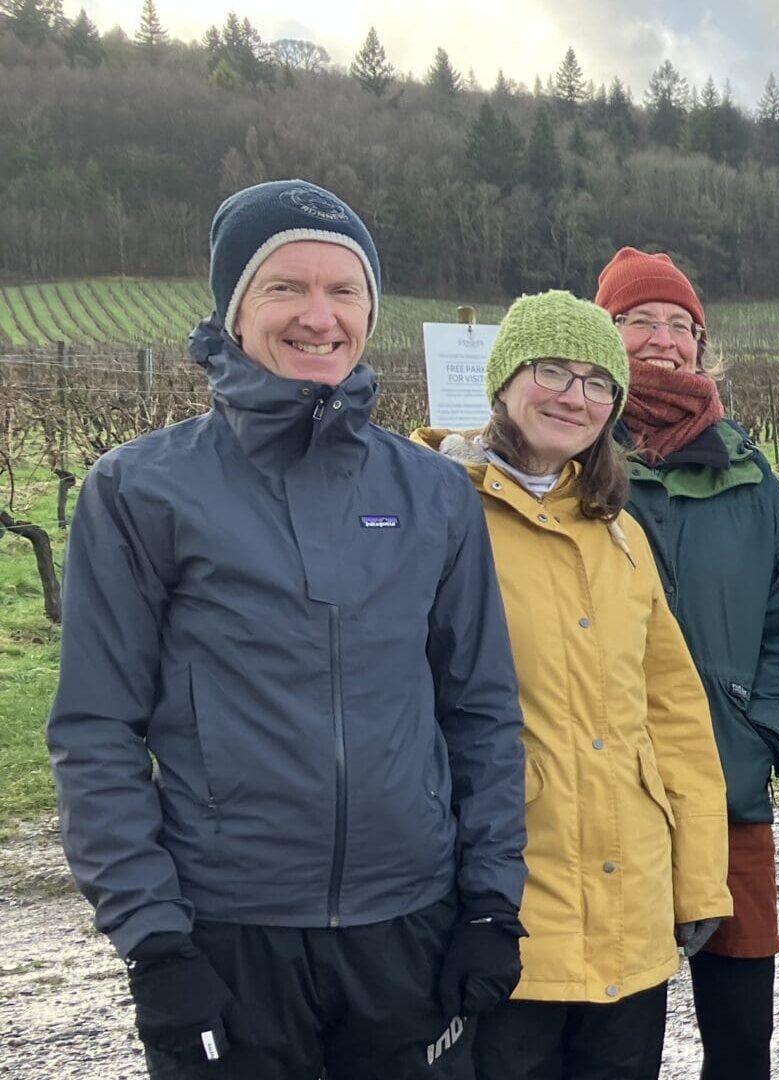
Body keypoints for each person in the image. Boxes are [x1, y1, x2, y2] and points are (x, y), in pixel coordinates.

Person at [49, 179, 526, 1078]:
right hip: (228, 933)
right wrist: (154, 943)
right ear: (234, 311)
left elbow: (483, 711)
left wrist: (492, 905)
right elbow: (95, 730)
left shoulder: (431, 494)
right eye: (285, 287)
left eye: (344, 291)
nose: (320, 316)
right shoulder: (141, 490)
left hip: (409, 928)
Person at [413, 291, 731, 1079]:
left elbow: (674, 715)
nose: (574, 396)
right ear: (503, 381)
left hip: (629, 905)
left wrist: (697, 882)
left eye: (598, 383)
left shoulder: (620, 531)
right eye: (551, 370)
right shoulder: (440, 514)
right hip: (509, 902)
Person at [597, 248, 779, 1080]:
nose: (662, 340)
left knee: (740, 1036)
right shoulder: (576, 460)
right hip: (612, 804)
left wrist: (763, 734)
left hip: (729, 796)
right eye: (639, 322)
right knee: (623, 1037)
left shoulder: (747, 472)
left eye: (679, 326)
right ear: (604, 332)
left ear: (701, 344)